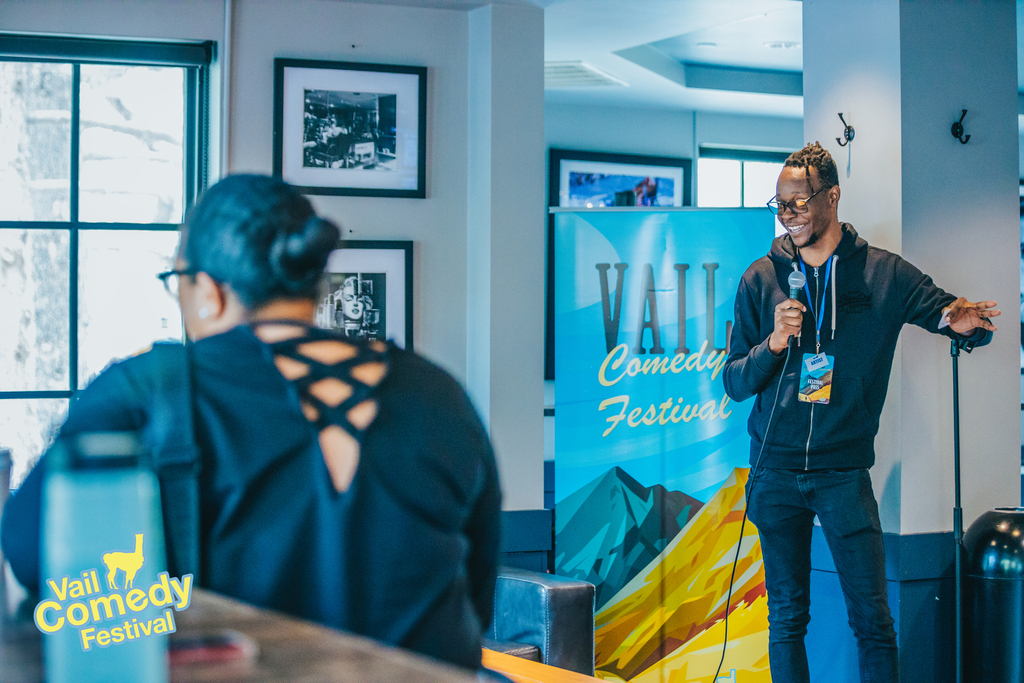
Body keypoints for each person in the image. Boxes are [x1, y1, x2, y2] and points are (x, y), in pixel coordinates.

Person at [1, 174, 502, 671]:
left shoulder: (146, 389)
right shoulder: (439, 392)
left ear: (208, 291)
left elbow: (30, 554)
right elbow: (478, 595)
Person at [722, 142, 998, 683]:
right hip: (773, 471)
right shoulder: (761, 278)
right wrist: (775, 343)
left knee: (871, 620)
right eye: (780, 205)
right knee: (785, 619)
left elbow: (947, 314)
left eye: (799, 202)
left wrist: (966, 324)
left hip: (841, 473)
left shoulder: (882, 274)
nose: (789, 214)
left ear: (832, 198)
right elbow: (734, 381)